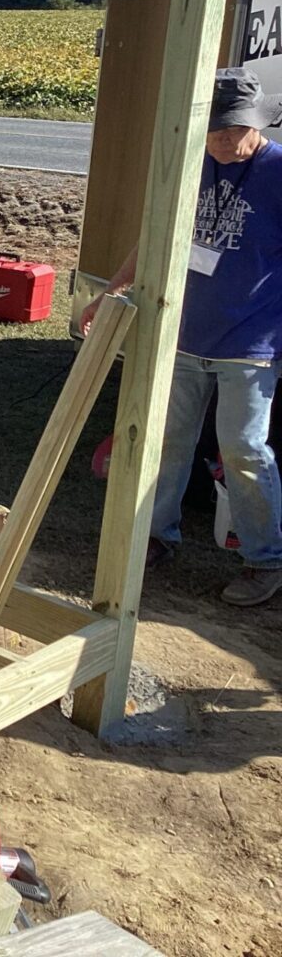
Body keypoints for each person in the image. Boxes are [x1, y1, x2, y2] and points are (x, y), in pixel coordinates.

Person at [81, 67, 282, 607]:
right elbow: (154, 237)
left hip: (251, 344)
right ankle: (155, 538)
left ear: (254, 124)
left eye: (229, 131)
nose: (219, 140)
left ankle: (266, 560)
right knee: (167, 441)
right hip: (185, 335)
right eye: (212, 129)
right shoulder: (191, 165)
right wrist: (110, 291)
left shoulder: (278, 171)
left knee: (243, 448)